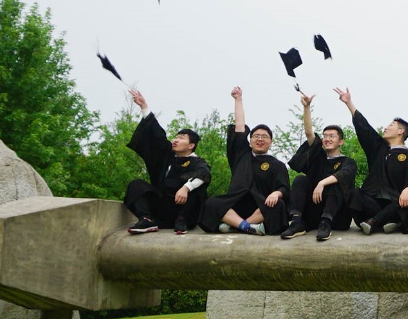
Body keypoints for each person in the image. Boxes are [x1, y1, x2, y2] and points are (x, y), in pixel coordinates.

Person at [199, 87, 290, 235]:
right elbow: (240, 128)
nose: (260, 139)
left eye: (264, 137)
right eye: (256, 136)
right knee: (212, 203)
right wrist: (238, 99)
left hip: (260, 207)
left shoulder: (277, 165)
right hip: (235, 203)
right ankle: (247, 227)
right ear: (250, 141)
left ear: (271, 142)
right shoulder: (242, 155)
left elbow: (284, 188)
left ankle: (236, 225)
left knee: (278, 205)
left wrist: (276, 194)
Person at [335, 87, 408, 235]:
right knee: (356, 193)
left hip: (396, 202)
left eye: (391, 125)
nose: (386, 128)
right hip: (373, 200)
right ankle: (388, 221)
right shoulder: (379, 149)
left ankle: (375, 222)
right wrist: (349, 103)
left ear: (401, 131)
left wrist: (407, 191)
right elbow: (364, 128)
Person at [123, 89, 212, 235]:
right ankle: (146, 219)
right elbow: (157, 134)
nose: (176, 140)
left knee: (198, 189)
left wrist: (186, 188)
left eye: (181, 138)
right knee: (136, 185)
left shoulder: (197, 162)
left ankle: (181, 221)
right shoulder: (168, 155)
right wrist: (144, 106)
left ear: (191, 145)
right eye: (176, 137)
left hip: (185, 212)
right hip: (163, 208)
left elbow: (204, 174)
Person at [280, 92, 358, 241]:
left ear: (341, 142)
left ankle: (325, 223)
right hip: (313, 213)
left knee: (336, 183)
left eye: (331, 136)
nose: (327, 139)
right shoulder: (318, 157)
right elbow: (309, 133)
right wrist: (306, 107)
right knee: (300, 179)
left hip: (337, 217)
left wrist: (322, 183)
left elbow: (344, 175)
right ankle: (296, 222)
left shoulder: (348, 162)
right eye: (325, 136)